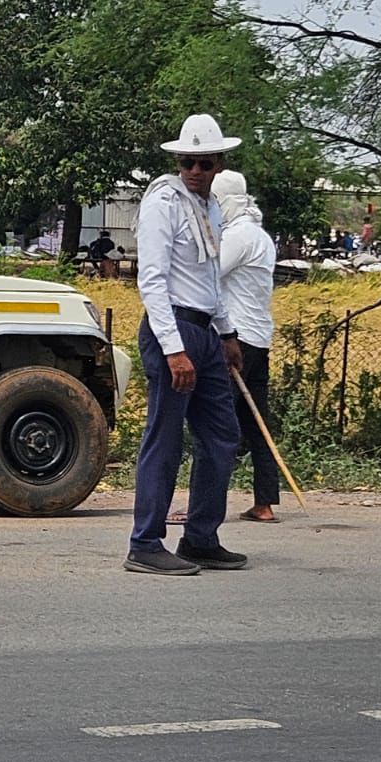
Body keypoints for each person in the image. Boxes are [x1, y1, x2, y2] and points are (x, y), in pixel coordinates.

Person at [126, 114, 248, 576]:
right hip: (171, 327)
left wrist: (228, 332)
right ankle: (145, 542)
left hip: (206, 330)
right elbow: (152, 280)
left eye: (205, 162)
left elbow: (210, 277)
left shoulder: (210, 206)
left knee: (221, 437)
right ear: (178, 162)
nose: (195, 170)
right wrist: (173, 348)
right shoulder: (163, 202)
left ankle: (200, 537)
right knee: (166, 439)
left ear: (219, 163)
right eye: (188, 162)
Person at [213, 169, 282, 523]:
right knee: (257, 426)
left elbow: (210, 276)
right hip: (259, 338)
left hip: (235, 341)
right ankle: (265, 502)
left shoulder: (237, 236)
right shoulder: (262, 236)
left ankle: (206, 504)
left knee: (217, 424)